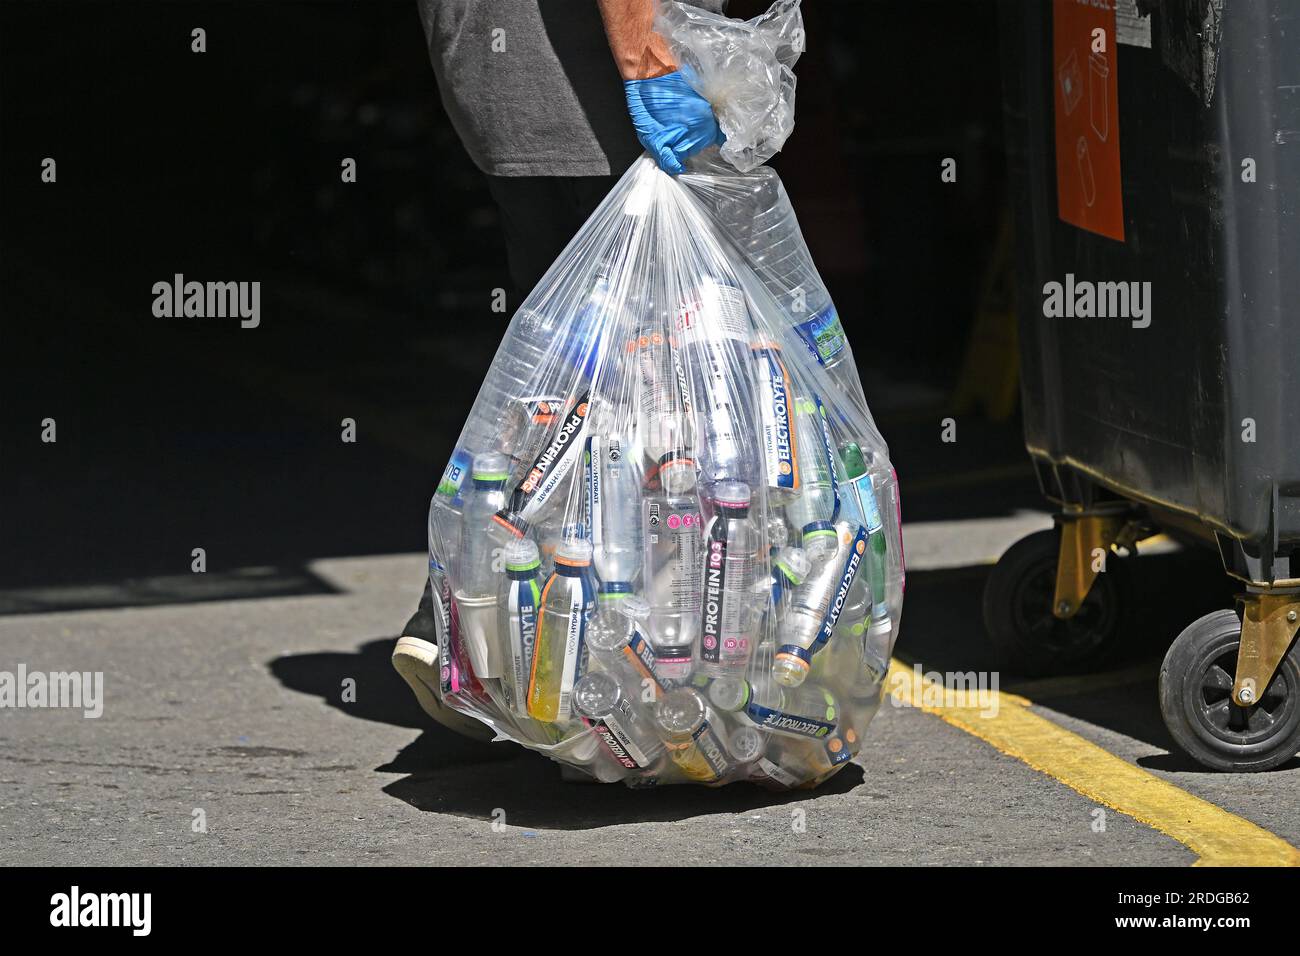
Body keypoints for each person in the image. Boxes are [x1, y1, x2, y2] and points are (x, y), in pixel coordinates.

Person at [391, 0, 724, 738]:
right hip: (595, 93)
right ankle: (498, 645)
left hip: (504, 88)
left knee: (564, 389)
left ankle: (479, 631)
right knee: (638, 409)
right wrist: (655, 67)